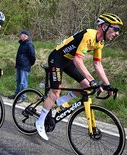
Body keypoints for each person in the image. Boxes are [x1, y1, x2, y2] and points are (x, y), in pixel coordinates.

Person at [35, 13, 123, 141]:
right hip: (57, 58)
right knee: (55, 93)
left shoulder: (100, 42)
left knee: (86, 86)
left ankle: (61, 100)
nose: (117, 33)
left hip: (68, 61)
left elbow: (97, 64)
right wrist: (93, 80)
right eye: (115, 29)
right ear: (104, 26)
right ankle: (40, 122)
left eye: (118, 30)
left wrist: (107, 84)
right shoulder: (89, 35)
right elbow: (78, 60)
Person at [8, 30, 35, 101]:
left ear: (25, 36)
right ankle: (16, 95)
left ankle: (22, 97)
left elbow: (32, 56)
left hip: (24, 66)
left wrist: (28, 64)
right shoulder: (22, 44)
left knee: (23, 82)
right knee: (18, 81)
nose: (20, 36)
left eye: (21, 35)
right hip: (19, 65)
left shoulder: (29, 44)